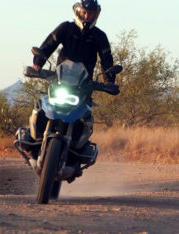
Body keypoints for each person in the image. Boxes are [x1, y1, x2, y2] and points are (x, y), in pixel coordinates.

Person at [25, 0, 115, 162]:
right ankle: (31, 139)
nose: (87, 16)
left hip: (84, 86)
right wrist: (37, 64)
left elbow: (106, 58)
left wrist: (108, 79)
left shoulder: (99, 36)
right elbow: (49, 44)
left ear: (96, 14)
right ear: (78, 11)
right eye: (85, 12)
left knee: (84, 116)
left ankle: (80, 150)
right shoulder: (66, 27)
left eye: (91, 13)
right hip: (60, 80)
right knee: (42, 106)